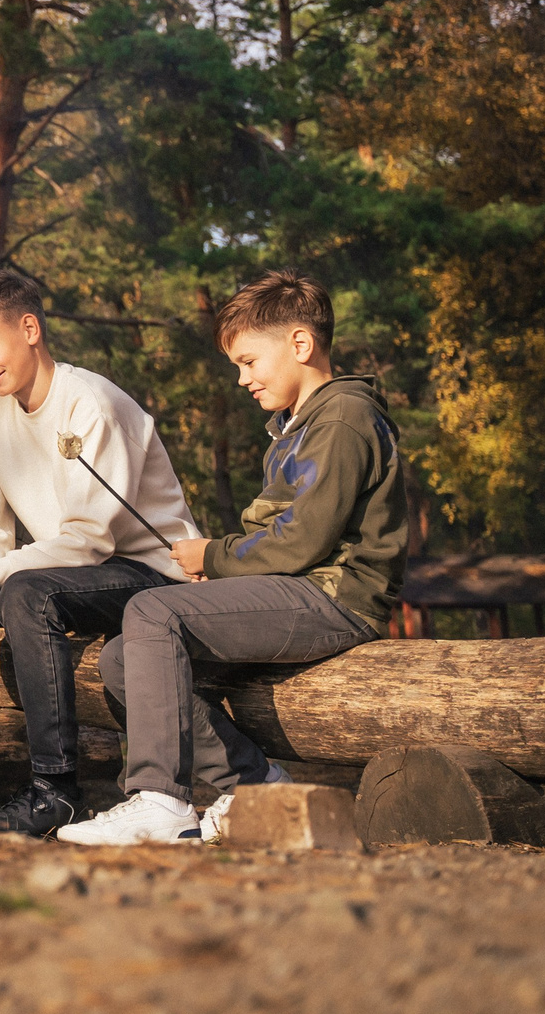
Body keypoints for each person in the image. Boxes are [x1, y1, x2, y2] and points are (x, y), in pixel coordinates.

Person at [57, 270, 407, 846]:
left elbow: (303, 539)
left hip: (333, 596)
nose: (243, 379)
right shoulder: (300, 426)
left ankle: (159, 799)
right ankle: (254, 786)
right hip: (300, 587)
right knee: (124, 658)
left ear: (300, 344)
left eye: (249, 362)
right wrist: (216, 567)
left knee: (151, 612)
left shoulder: (343, 417)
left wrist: (214, 558)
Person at [0, 268, 203, 837]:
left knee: (25, 593)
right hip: (71, 574)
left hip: (151, 575)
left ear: (29, 329)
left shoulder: (92, 404)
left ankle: (56, 790)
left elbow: (89, 539)